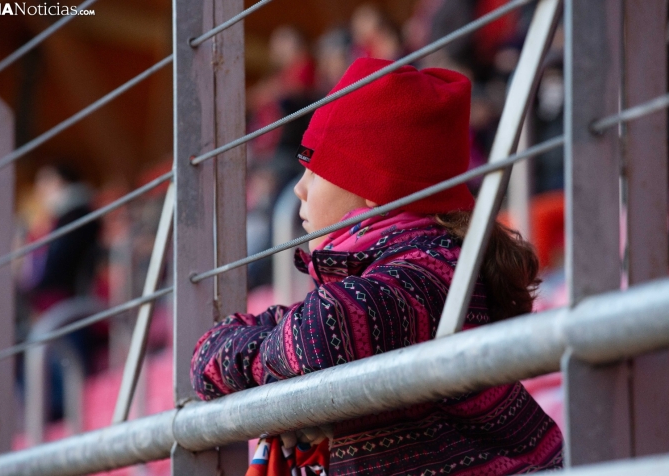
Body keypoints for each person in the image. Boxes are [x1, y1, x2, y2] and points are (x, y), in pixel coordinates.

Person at [192, 58, 563, 475]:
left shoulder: (432, 273)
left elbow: (322, 333)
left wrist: (266, 366)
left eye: (314, 167)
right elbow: (210, 352)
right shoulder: (389, 276)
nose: (299, 188)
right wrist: (276, 364)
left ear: (373, 186)